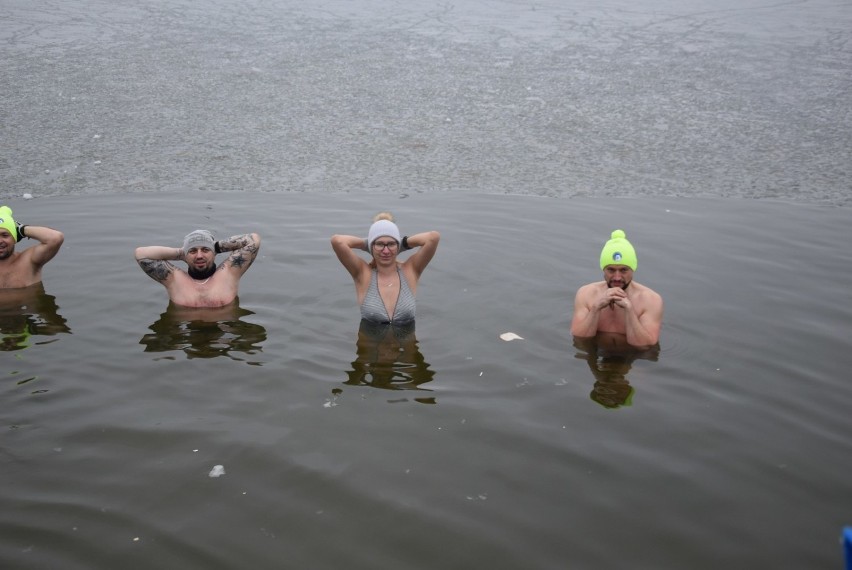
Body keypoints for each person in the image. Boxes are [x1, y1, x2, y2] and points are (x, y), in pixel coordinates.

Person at [331, 212, 440, 324]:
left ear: (398, 246)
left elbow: (433, 237)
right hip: (368, 342)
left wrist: (401, 243)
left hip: (408, 342)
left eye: (391, 244)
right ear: (371, 246)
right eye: (379, 244)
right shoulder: (362, 274)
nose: (386, 251)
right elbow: (337, 241)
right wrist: (368, 245)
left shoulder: (411, 270)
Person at [570, 229, 663, 347]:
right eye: (611, 270)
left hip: (633, 357)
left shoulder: (651, 300)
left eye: (624, 270)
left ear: (632, 270)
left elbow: (645, 346)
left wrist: (629, 310)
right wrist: (596, 308)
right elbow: (579, 339)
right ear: (603, 270)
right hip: (597, 351)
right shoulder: (586, 293)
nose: (617, 277)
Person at [135, 229, 261, 308]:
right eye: (193, 251)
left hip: (221, 337)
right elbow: (141, 254)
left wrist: (216, 247)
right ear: (186, 255)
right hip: (188, 338)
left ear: (213, 253)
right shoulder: (173, 278)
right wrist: (181, 253)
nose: (199, 255)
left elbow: (253, 240)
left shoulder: (230, 272)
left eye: (206, 250)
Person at [0, 205, 65, 289]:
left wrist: (22, 229)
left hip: (26, 302)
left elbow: (56, 238)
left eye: (5, 235)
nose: (0, 241)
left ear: (14, 238)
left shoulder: (29, 261)